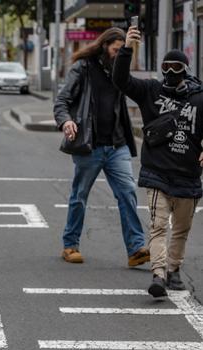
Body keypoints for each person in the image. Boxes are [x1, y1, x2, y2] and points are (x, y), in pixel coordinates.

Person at [113, 26, 203, 297]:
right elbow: (120, 80)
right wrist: (127, 48)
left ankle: (174, 270)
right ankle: (158, 274)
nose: (171, 72)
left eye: (177, 66)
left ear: (186, 69)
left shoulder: (200, 97)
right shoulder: (150, 90)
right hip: (157, 173)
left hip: (188, 174)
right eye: (167, 66)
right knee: (158, 225)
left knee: (182, 229)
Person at [53, 27, 149, 267]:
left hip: (117, 145)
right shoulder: (83, 67)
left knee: (127, 192)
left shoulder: (120, 72)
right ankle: (70, 245)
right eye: (116, 50)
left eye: (122, 51)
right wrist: (66, 121)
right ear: (105, 47)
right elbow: (62, 100)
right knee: (79, 196)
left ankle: (136, 249)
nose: (119, 54)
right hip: (89, 145)